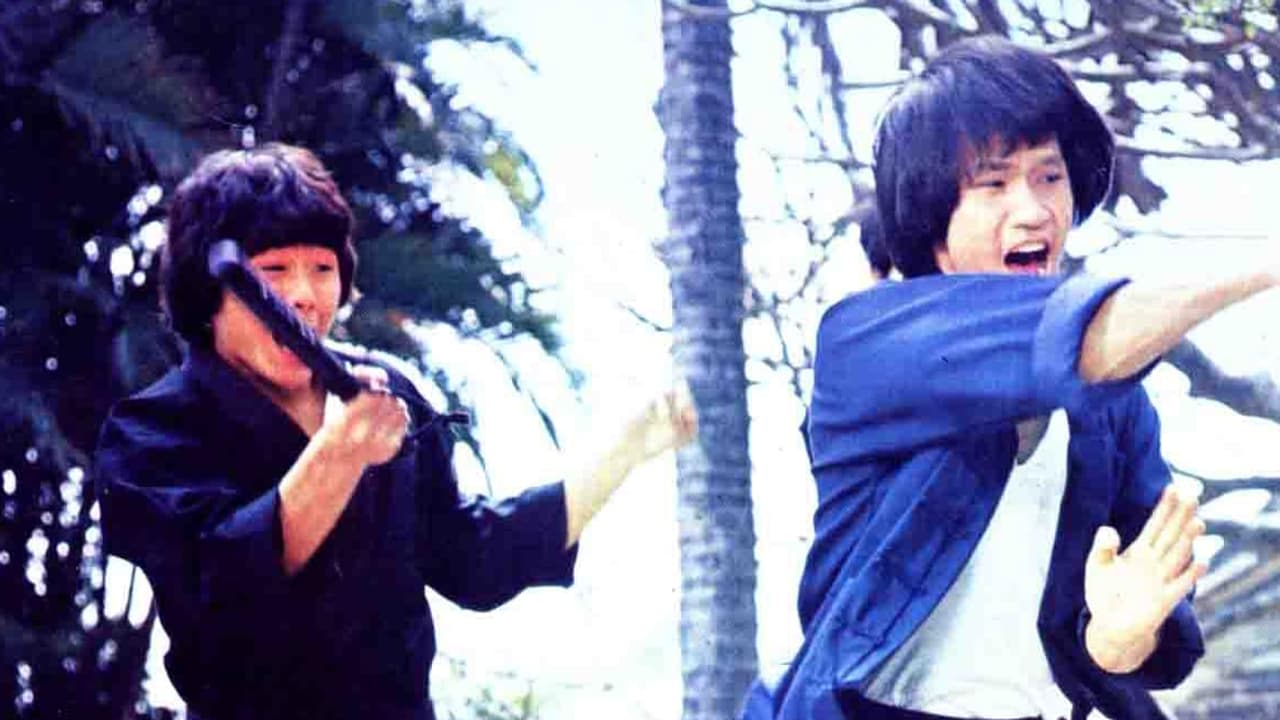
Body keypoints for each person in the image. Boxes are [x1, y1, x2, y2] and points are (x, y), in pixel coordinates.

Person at [763, 36, 1280, 720]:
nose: (1034, 210)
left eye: (1049, 177)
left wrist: (1121, 639)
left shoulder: (1117, 405)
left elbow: (1149, 602)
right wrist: (1265, 263)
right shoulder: (865, 346)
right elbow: (1078, 337)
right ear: (932, 217)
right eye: (994, 183)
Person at [94, 143, 698, 720]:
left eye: (322, 269)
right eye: (273, 270)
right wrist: (338, 456)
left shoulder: (385, 394)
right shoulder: (153, 430)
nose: (303, 296)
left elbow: (473, 560)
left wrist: (625, 451)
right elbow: (225, 585)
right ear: (210, 291)